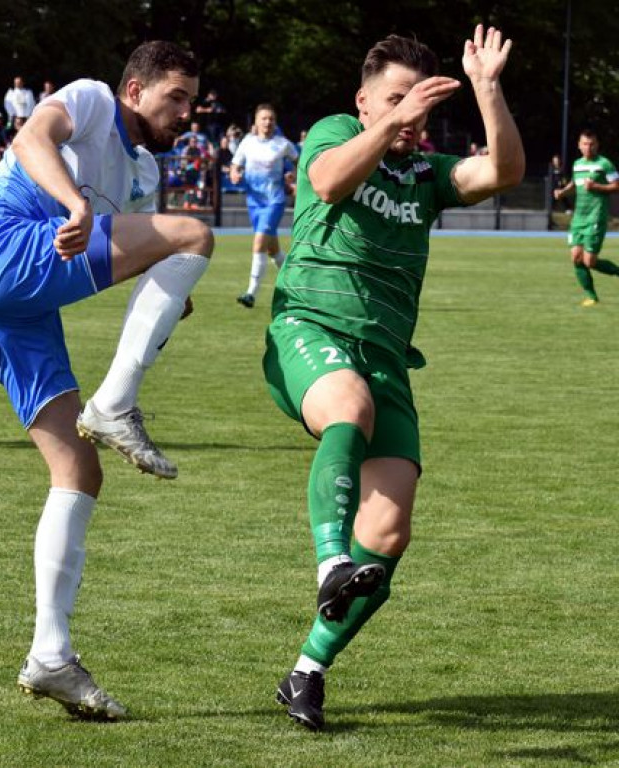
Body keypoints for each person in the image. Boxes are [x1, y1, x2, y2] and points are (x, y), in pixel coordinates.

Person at [264, 26, 523, 731]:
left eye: (420, 103)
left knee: (388, 531)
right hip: (310, 329)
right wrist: (392, 123)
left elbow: (501, 172)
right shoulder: (334, 132)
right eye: (395, 99)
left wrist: (487, 89)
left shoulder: (426, 173)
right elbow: (326, 181)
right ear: (364, 102)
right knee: (347, 406)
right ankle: (326, 567)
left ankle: (306, 673)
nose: (412, 114)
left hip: (387, 358)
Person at [0, 40, 211, 721]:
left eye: (191, 99)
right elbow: (34, 136)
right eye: (174, 96)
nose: (186, 111)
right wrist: (76, 204)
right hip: (1, 250)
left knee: (78, 471)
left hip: (12, 309)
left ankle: (50, 656)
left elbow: (142, 250)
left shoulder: (142, 170)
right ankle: (117, 405)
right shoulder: (93, 97)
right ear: (134, 90)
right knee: (196, 233)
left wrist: (167, 287)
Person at [230, 103, 299, 308]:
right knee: (273, 251)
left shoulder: (283, 144)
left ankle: (251, 293)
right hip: (254, 202)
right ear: (256, 122)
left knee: (259, 241)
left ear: (275, 123)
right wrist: (234, 173)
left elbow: (300, 162)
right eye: (264, 118)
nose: (268, 122)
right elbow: (236, 164)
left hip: (274, 201)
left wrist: (294, 177)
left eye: (271, 119)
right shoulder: (247, 143)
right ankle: (296, 283)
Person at [552, 130, 619, 306]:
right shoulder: (577, 164)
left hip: (595, 217)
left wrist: (596, 186)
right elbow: (576, 183)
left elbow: (617, 186)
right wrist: (563, 192)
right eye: (585, 144)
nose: (588, 147)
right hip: (578, 218)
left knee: (589, 261)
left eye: (592, 144)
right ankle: (592, 297)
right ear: (579, 145)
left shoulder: (605, 164)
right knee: (575, 257)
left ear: (597, 145)